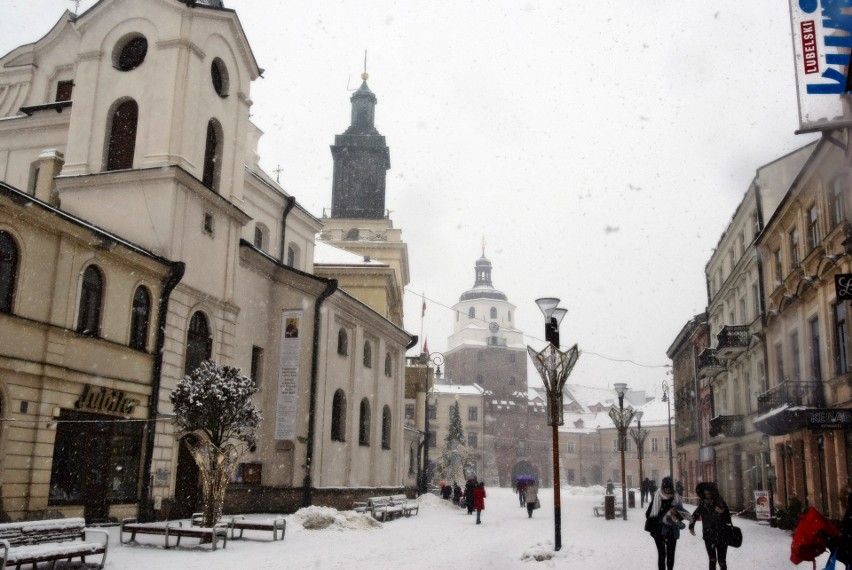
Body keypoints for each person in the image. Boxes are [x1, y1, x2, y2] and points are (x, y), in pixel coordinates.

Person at [646, 476, 690, 570]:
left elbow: (681, 516)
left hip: (672, 530)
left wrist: (676, 513)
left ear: (672, 488)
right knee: (662, 555)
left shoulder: (676, 498)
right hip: (658, 530)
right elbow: (648, 514)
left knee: (671, 554)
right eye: (665, 488)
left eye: (669, 489)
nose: (667, 491)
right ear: (662, 488)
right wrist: (662, 515)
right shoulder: (657, 497)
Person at [689, 482, 732, 570]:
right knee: (712, 559)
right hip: (708, 536)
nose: (707, 496)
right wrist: (691, 526)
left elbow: (728, 519)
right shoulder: (703, 504)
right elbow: (694, 515)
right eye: (705, 494)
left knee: (721, 560)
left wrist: (722, 512)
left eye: (709, 493)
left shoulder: (720, 502)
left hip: (722, 536)